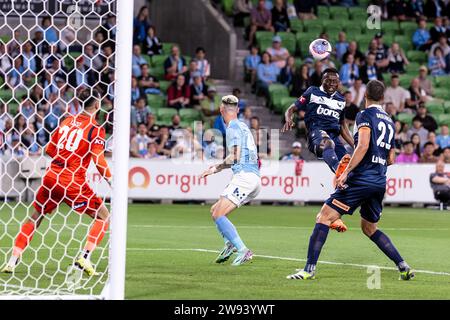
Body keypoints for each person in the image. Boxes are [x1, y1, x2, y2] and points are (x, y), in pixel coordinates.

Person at [286, 80, 414, 281]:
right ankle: (403, 266)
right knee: (369, 228)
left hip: (361, 179)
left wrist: (346, 172)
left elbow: (362, 146)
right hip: (379, 180)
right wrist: (375, 166)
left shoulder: (365, 115)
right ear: (382, 98)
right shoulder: (389, 121)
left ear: (365, 96)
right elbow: (391, 159)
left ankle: (308, 270)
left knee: (324, 218)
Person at [1, 89, 111, 276]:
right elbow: (98, 159)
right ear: (98, 105)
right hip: (72, 181)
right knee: (104, 216)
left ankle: (12, 261)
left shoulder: (67, 121)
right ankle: (85, 257)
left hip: (52, 177)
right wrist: (111, 179)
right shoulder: (95, 129)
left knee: (35, 217)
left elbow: (50, 149)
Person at [282, 68, 353, 232]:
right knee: (328, 145)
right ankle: (338, 170)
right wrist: (288, 117)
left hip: (335, 138)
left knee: (350, 176)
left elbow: (342, 127)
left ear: (339, 83)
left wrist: (355, 146)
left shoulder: (341, 100)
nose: (331, 84)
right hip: (317, 134)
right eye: (328, 80)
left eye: (335, 81)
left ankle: (335, 218)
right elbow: (291, 108)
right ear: (322, 80)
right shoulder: (312, 92)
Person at [200, 95, 261, 266]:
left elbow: (234, 156)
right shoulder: (243, 126)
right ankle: (229, 244)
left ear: (221, 110)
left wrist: (215, 168)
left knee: (219, 214)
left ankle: (243, 250)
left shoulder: (233, 128)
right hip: (253, 177)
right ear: (238, 110)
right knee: (215, 211)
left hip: (245, 177)